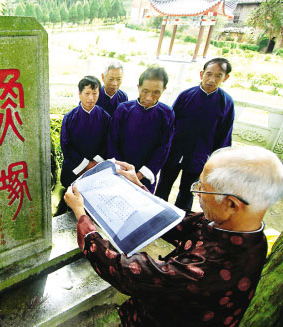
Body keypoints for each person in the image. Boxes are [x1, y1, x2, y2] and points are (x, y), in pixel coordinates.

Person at [65, 145, 283, 327]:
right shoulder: (248, 232)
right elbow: (178, 223)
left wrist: (82, 217)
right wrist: (137, 187)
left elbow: (126, 272)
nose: (196, 194)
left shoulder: (205, 270)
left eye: (203, 189)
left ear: (231, 204)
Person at [155, 57, 235, 210]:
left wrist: (216, 162)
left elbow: (224, 136)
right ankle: (156, 215)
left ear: (226, 78)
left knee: (187, 192)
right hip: (174, 153)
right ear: (201, 74)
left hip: (200, 157)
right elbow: (170, 124)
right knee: (163, 187)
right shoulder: (186, 95)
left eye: (218, 76)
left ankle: (180, 224)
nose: (211, 79)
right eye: (209, 74)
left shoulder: (226, 103)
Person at [107, 66, 174, 192]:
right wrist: (123, 170)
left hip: (146, 175)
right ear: (138, 87)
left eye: (156, 92)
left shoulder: (166, 113)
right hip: (121, 171)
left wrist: (141, 174)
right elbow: (112, 141)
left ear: (164, 89)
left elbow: (164, 147)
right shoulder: (123, 110)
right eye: (145, 91)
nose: (149, 97)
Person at [60, 76, 111, 187]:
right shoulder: (69, 117)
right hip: (74, 168)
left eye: (94, 93)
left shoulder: (105, 117)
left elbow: (108, 142)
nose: (91, 98)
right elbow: (66, 145)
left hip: (97, 166)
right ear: (79, 93)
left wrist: (95, 163)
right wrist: (85, 164)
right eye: (87, 93)